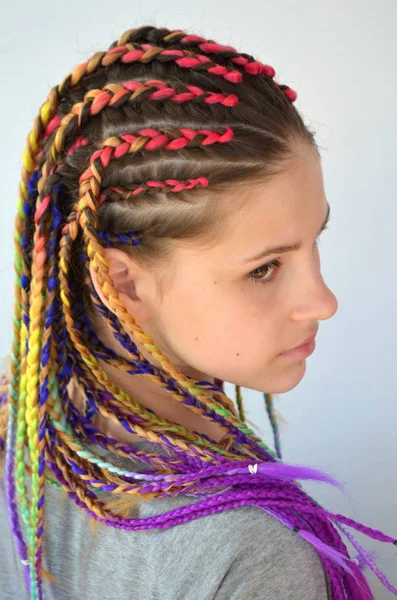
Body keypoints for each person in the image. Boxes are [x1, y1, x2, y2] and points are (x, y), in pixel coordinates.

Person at [0, 23, 395, 600]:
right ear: (122, 282)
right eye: (265, 269)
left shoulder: (24, 432)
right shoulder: (256, 554)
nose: (324, 302)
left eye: (316, 240)